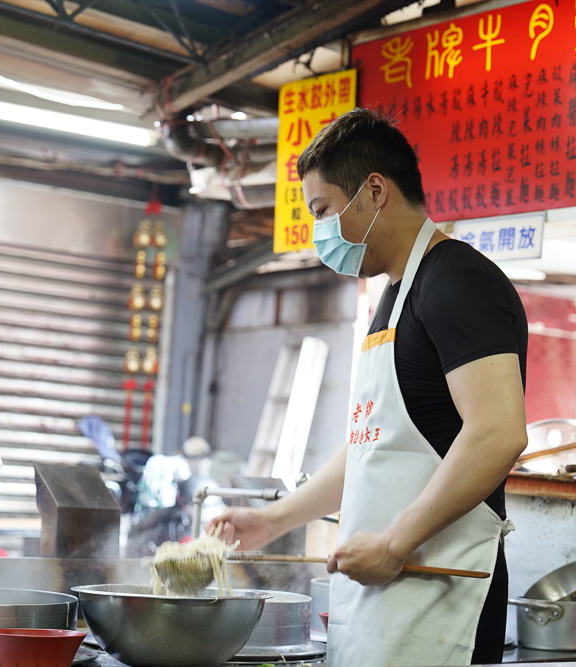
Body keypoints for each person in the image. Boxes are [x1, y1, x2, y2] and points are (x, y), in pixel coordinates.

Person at [208, 108, 528, 666]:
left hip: (441, 596)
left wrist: (395, 542)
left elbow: (498, 433)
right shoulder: (395, 295)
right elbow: (372, 448)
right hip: (389, 595)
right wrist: (274, 519)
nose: (320, 232)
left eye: (324, 210)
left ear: (374, 191)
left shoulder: (459, 283)